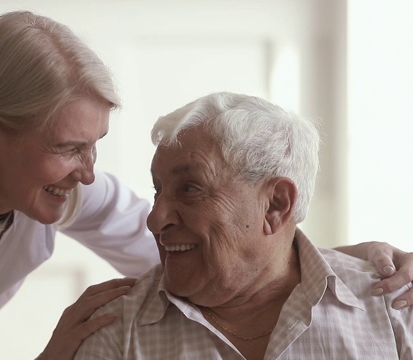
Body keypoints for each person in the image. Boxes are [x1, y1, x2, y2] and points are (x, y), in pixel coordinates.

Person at [0, 11, 409, 360]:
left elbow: (185, 245)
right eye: (68, 148)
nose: (88, 170)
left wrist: (324, 263)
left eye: (95, 146)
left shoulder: (65, 184)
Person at [74, 92, 413, 359]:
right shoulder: (116, 328)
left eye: (190, 189)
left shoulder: (395, 307)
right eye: (157, 190)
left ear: (276, 205)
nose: (155, 219)